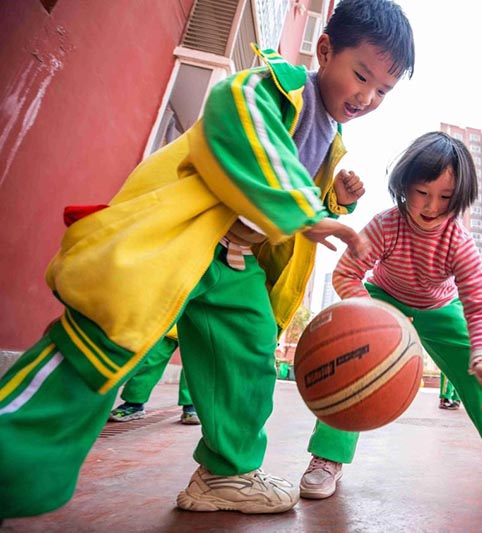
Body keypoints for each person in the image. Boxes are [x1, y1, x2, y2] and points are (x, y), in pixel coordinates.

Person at [0, 0, 415, 519]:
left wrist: (337, 202)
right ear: (325, 50)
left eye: (383, 90)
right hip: (182, 238)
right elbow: (241, 129)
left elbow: (291, 191)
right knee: (102, 342)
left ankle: (226, 474)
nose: (367, 96)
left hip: (236, 260)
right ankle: (10, 454)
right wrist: (308, 209)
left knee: (246, 360)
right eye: (361, 75)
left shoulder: (331, 136)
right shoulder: (274, 85)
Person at [298, 132, 482, 500]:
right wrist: (372, 316)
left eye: (446, 198)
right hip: (383, 302)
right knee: (348, 366)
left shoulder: (458, 241)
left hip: (439, 308)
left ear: (460, 199)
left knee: (481, 373)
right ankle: (326, 458)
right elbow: (346, 274)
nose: (432, 206)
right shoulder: (386, 225)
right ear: (404, 186)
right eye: (422, 193)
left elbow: (479, 302)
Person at [107, 334, 199, 425]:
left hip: (198, 325)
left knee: (194, 364)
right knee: (151, 360)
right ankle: (133, 404)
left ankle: (192, 407)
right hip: (169, 326)